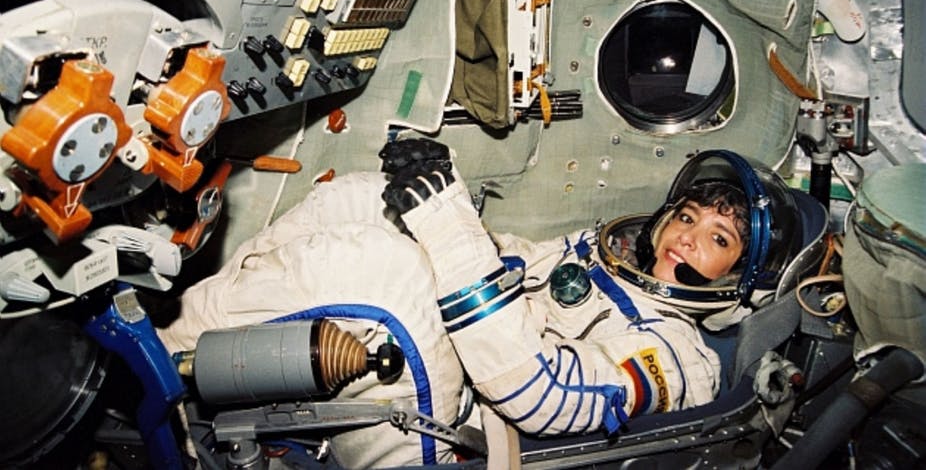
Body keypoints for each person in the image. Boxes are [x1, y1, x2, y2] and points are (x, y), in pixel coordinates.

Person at [157, 141, 804, 468]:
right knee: (360, 198)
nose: (687, 235)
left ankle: (156, 379)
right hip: (459, 380)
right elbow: (509, 265)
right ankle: (168, 354)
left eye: (718, 239)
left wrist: (446, 223)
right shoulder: (604, 258)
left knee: (388, 273)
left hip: (473, 442)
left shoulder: (678, 358)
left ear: (736, 281)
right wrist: (443, 204)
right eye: (688, 216)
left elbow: (541, 392)